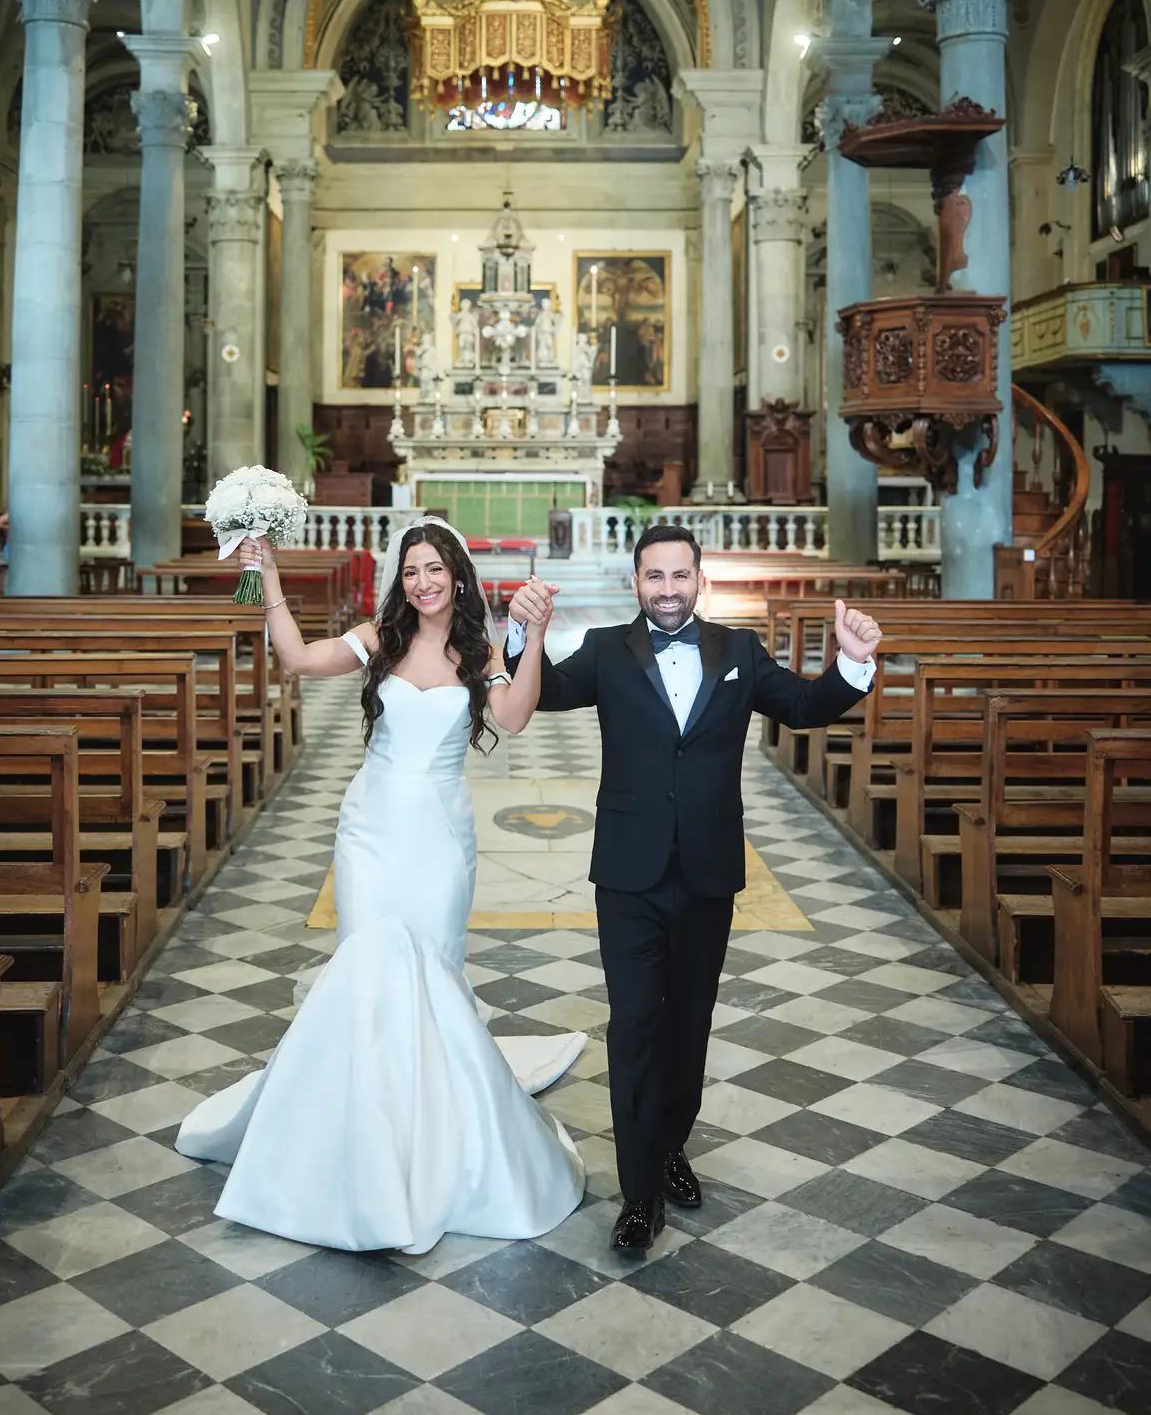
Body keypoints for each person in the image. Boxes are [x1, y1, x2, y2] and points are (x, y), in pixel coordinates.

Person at [175, 519, 586, 1254]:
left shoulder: (481, 651)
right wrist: (266, 575)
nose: (423, 581)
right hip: (370, 830)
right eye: (412, 570)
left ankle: (432, 1142)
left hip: (439, 837)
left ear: (457, 575)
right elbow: (298, 659)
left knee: (431, 974)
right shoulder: (380, 638)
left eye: (435, 569)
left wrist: (536, 638)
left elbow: (516, 719)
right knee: (364, 972)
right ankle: (354, 1143)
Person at [507, 523, 881, 1253]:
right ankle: (639, 1193)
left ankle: (670, 1142)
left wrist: (854, 665)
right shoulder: (606, 650)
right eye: (655, 577)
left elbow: (803, 708)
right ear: (636, 582)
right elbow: (544, 694)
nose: (668, 589)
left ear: (698, 580)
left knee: (689, 1025)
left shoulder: (737, 650)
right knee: (637, 1025)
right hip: (628, 872)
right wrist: (524, 638)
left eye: (681, 576)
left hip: (708, 867)